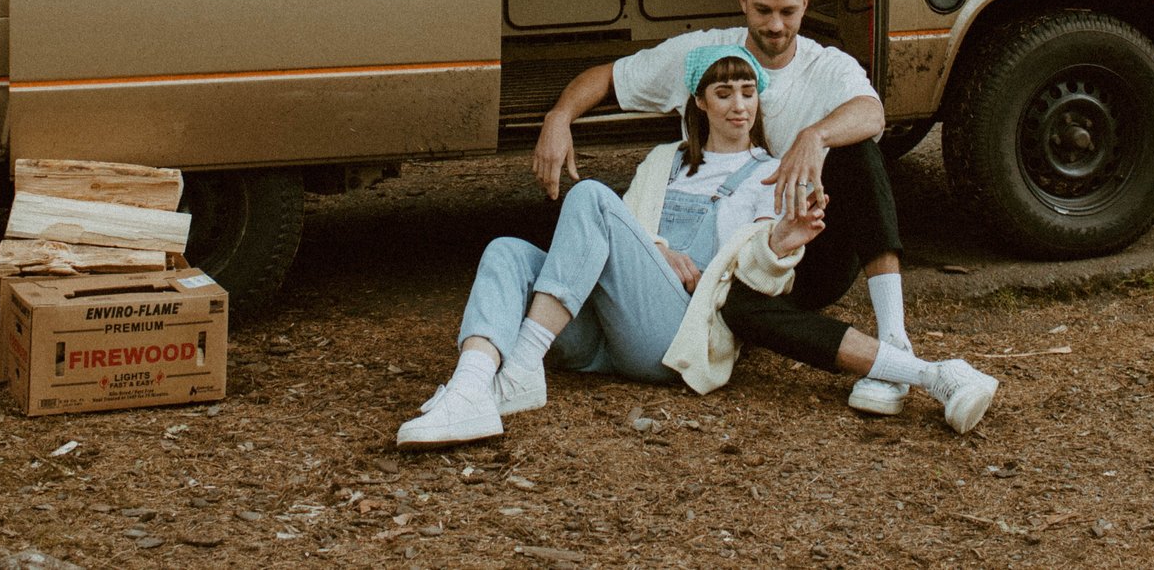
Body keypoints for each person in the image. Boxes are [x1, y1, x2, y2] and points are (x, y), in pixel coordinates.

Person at [397, 49, 997, 445]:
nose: (739, 105)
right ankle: (475, 385)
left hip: (671, 334)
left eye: (747, 92)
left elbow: (756, 284)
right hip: (599, 330)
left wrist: (784, 240)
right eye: (724, 94)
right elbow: (623, 235)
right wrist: (656, 247)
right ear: (699, 105)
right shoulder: (663, 163)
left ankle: (520, 366)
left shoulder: (770, 173)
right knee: (506, 247)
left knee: (587, 198)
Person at [532, 0, 987, 425]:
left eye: (788, 12)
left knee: (859, 152)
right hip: (731, 257)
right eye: (764, 10)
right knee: (737, 305)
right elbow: (607, 77)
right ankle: (918, 372)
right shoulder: (707, 55)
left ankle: (895, 336)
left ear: (807, 5)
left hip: (807, 243)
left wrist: (815, 135)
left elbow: (871, 112)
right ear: (743, 1)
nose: (775, 25)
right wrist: (559, 117)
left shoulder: (825, 65)